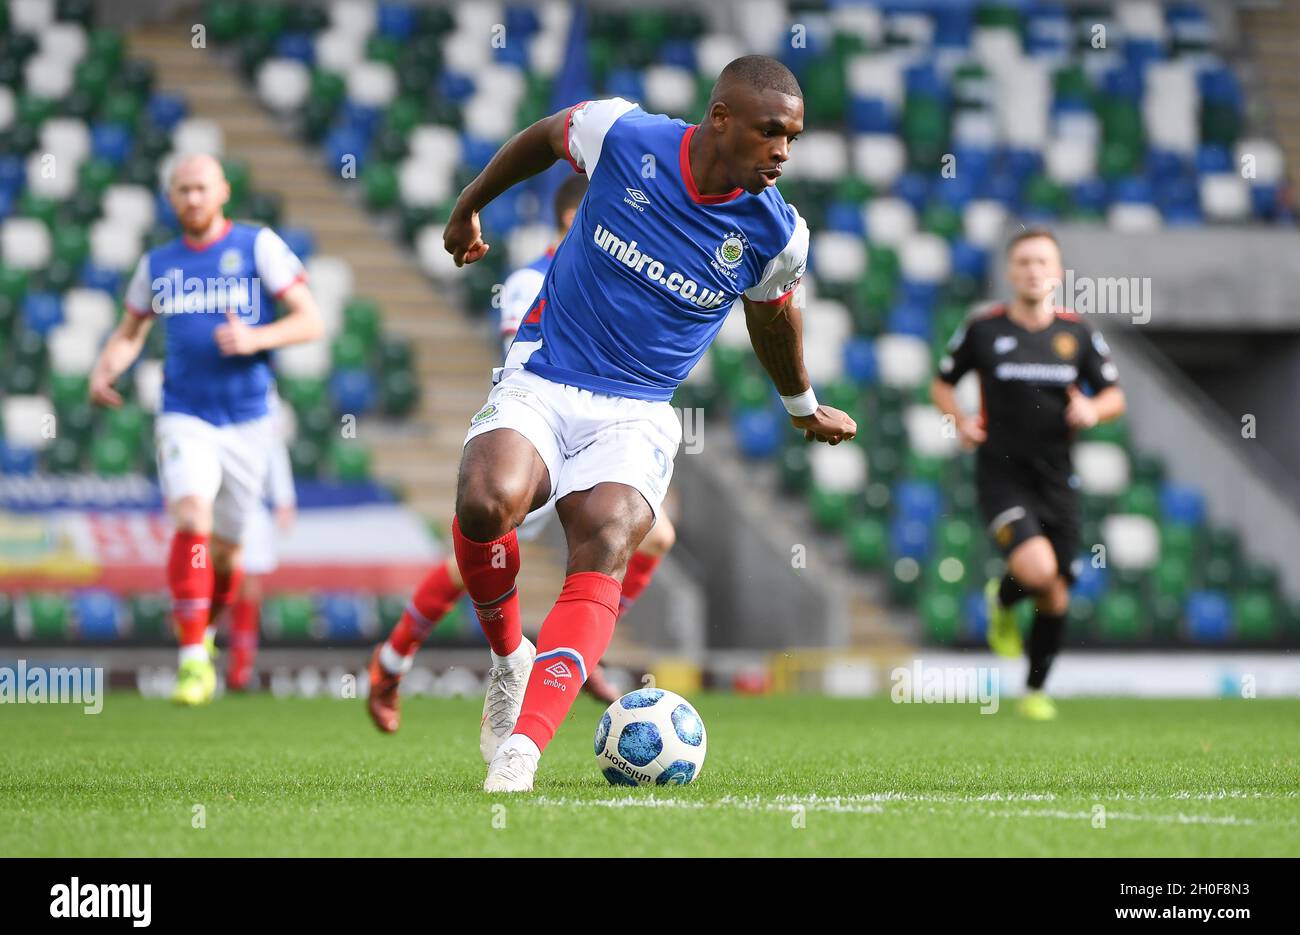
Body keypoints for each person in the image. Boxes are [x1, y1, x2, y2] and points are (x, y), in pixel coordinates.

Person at [442, 55, 856, 791]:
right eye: (771, 134)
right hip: (546, 372)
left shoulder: (777, 233)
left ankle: (521, 753)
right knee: (485, 502)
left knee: (607, 535)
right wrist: (472, 202)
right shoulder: (623, 133)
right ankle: (511, 658)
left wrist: (801, 404)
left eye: (792, 138)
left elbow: (774, 319)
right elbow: (543, 137)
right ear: (720, 119)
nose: (783, 154)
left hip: (636, 409)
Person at [365, 174, 674, 733]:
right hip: (543, 428)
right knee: (474, 558)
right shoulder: (529, 280)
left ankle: (580, 650)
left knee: (657, 533)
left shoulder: (625, 277)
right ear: (572, 218)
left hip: (600, 435)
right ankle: (391, 661)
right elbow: (526, 359)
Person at [89, 154, 322, 706]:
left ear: (222, 191)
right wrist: (105, 366)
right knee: (191, 517)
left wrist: (256, 339)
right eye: (181, 190)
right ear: (170, 199)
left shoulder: (256, 246)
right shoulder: (158, 264)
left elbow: (310, 320)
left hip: (248, 422)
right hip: (184, 414)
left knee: (227, 560)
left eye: (200, 188)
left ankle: (206, 632)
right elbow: (130, 331)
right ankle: (193, 659)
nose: (192, 198)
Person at [930, 229, 1126, 721]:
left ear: (1057, 273)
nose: (1033, 270)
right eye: (1023, 262)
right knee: (1039, 571)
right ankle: (1005, 594)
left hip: (1058, 480)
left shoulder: (1077, 334)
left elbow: (1115, 396)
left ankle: (1035, 689)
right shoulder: (984, 329)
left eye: (1042, 262)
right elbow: (942, 382)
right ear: (1010, 272)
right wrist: (959, 420)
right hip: (1001, 475)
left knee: (1056, 589)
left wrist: (1092, 411)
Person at [225, 387, 296, 691]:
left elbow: (273, 448)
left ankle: (241, 666)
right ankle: (200, 656)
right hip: (218, 504)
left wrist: (283, 497)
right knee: (220, 581)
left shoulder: (263, 393)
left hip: (252, 508)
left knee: (249, 586)